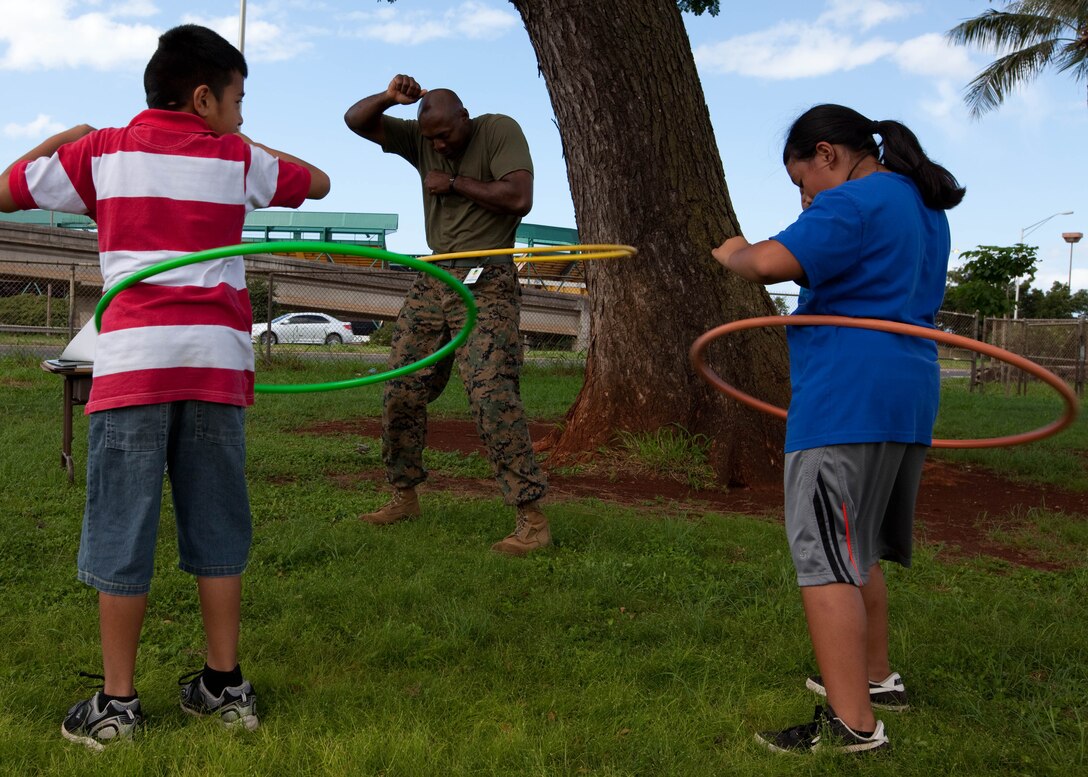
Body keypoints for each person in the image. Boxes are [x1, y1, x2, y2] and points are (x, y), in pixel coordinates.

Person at [0, 24, 330, 749]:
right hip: (213, 362)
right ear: (205, 96)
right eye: (239, 97)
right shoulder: (239, 156)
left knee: (123, 522)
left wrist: (63, 137)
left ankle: (117, 705)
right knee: (217, 520)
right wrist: (242, 144)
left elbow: (3, 189)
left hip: (135, 362)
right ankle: (225, 684)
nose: (243, 113)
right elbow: (320, 182)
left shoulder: (100, 152)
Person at [712, 104, 964, 754]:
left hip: (846, 396)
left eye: (803, 182)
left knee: (824, 556)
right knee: (857, 546)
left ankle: (852, 727)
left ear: (828, 153)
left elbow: (770, 262)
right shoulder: (921, 206)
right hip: (907, 395)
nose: (806, 196)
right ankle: (875, 678)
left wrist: (734, 252)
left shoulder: (854, 201)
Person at [344, 75, 549, 556]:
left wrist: (454, 182)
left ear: (465, 117)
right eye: (430, 138)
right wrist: (389, 99)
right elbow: (355, 121)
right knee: (401, 387)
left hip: (487, 276)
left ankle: (531, 519)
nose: (437, 145)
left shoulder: (498, 131)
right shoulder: (422, 140)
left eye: (445, 136)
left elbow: (520, 197)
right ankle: (403, 496)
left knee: (490, 390)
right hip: (434, 275)